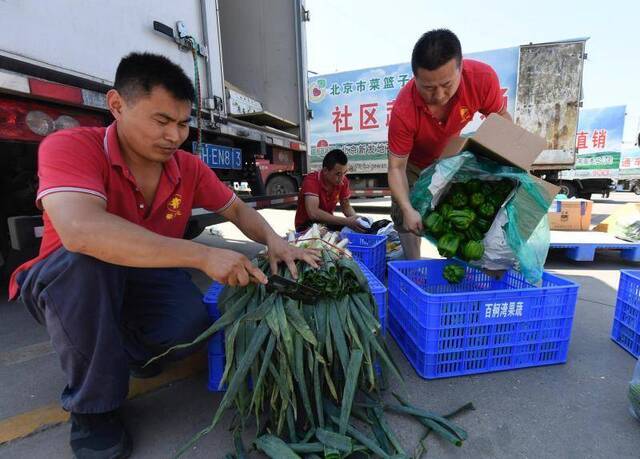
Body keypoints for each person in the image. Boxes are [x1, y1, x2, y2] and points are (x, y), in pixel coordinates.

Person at [8, 52, 319, 459]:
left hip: (144, 273)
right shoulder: (70, 146)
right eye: (161, 121)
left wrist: (273, 241)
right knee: (83, 265)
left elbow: (237, 209)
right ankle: (93, 408)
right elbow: (81, 231)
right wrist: (201, 256)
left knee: (187, 328)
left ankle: (112, 351)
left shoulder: (186, 166)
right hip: (71, 275)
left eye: (182, 123)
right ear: (116, 105)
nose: (174, 135)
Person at [387, 29, 512, 259]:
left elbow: (502, 119)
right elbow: (396, 167)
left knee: (462, 215)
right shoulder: (404, 109)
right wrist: (407, 208)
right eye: (428, 88)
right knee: (405, 216)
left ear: (461, 68)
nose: (439, 94)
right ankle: (413, 264)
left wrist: (510, 162)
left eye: (446, 84)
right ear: (415, 78)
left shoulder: (481, 79)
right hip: (413, 163)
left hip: (449, 158)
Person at [294, 148, 367, 233]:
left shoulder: (343, 181)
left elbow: (346, 207)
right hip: (306, 226)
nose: (341, 178)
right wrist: (347, 221)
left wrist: (357, 220)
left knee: (355, 230)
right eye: (338, 174)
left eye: (344, 173)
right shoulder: (311, 181)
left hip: (326, 223)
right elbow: (313, 213)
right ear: (325, 171)